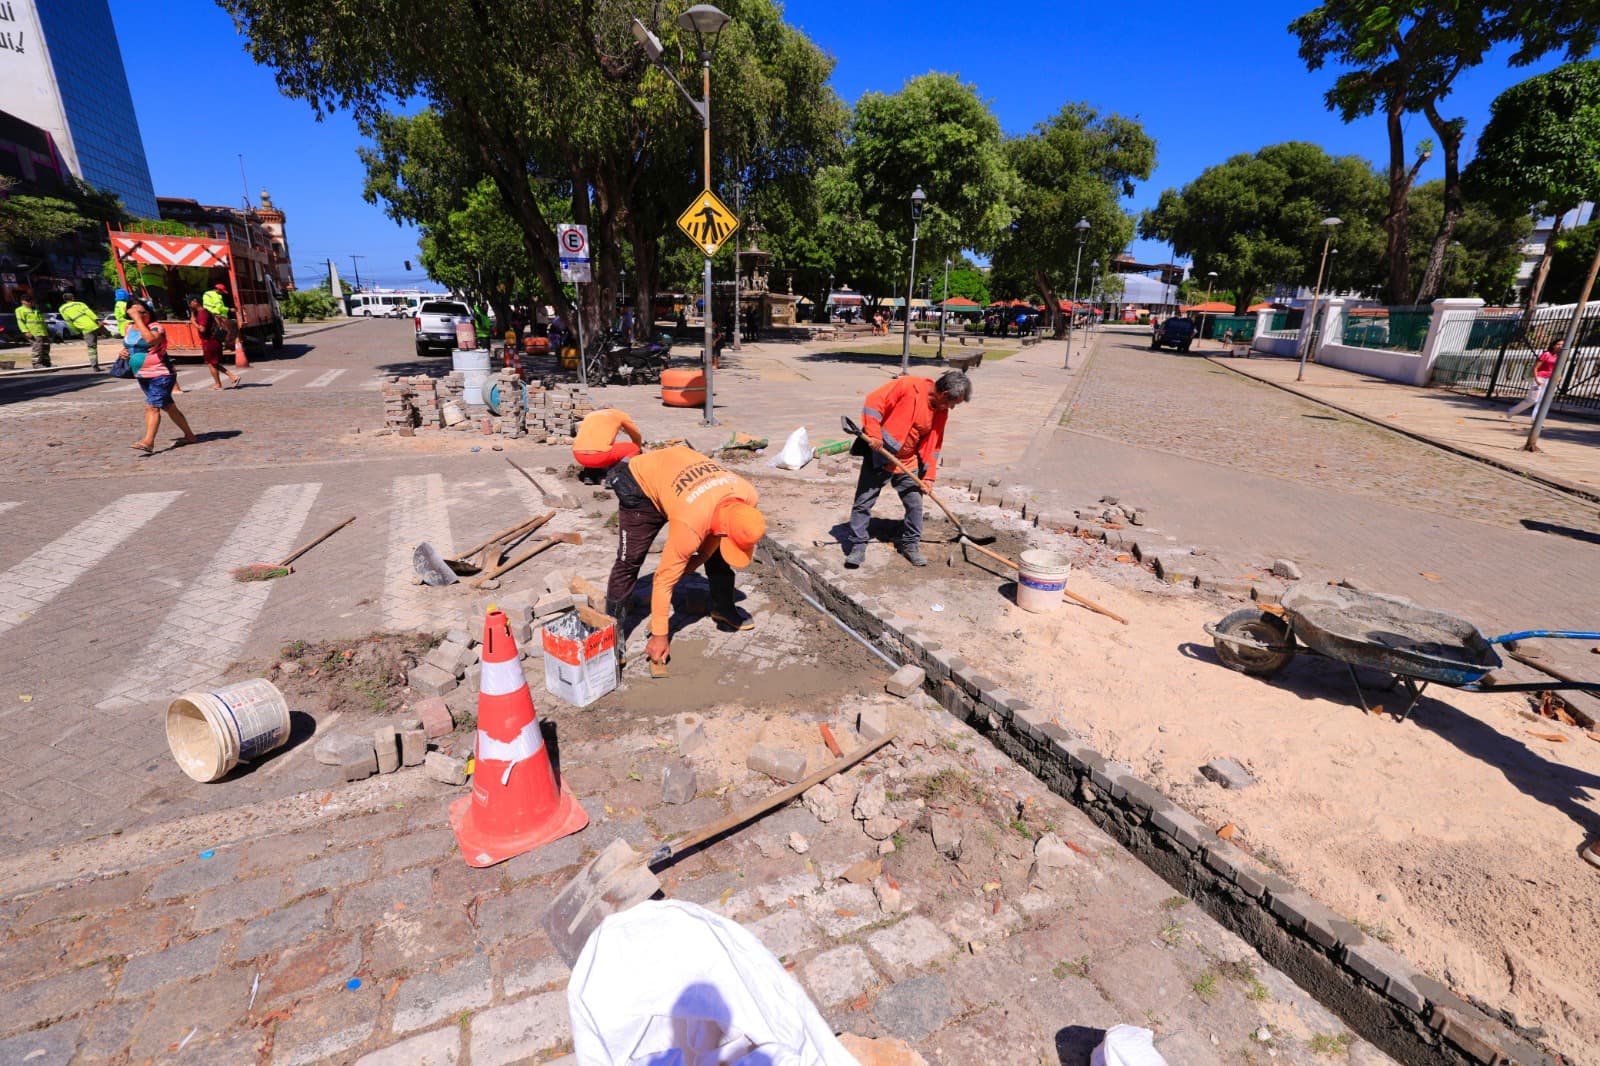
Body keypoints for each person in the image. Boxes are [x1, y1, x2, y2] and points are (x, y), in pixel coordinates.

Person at [604, 445, 766, 666]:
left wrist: (691, 564)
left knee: (719, 552)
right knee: (629, 561)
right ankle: (611, 638)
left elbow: (715, 540)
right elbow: (663, 580)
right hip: (640, 483)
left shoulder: (748, 496)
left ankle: (724, 608)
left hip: (682, 479)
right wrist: (660, 635)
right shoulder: (691, 524)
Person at [844, 369, 972, 569]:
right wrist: (874, 434)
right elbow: (873, 402)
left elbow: (934, 445)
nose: (952, 408)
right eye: (953, 403)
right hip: (881, 454)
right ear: (944, 394)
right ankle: (858, 546)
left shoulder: (940, 410)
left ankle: (911, 544)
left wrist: (929, 477)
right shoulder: (907, 386)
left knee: (915, 505)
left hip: (908, 461)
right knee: (864, 502)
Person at [123, 298, 198, 455]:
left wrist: (138, 319)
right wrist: (123, 353)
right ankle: (190, 436)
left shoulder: (156, 327)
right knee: (168, 406)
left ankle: (148, 442)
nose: (140, 315)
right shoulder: (128, 328)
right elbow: (130, 346)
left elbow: (150, 339)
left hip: (161, 373)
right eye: (135, 312)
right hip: (142, 374)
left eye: (143, 312)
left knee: (152, 406)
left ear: (149, 313)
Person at [573, 407, 643, 482]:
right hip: (600, 457)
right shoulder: (618, 414)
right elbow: (636, 434)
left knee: (595, 446)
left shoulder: (590, 415)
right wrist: (638, 450)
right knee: (634, 448)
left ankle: (589, 474)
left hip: (578, 456)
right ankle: (612, 476)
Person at [188, 296, 239, 389]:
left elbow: (202, 329)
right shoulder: (204, 312)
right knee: (212, 363)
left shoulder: (202, 313)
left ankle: (223, 381)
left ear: (195, 302)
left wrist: (193, 322)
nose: (189, 304)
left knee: (211, 363)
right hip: (211, 341)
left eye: (190, 302)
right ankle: (227, 378)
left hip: (209, 341)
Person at [1507, 339, 1563, 420]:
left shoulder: (1560, 357)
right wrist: (1537, 379)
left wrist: (1559, 378)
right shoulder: (1546, 354)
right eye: (1558, 344)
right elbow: (1536, 367)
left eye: (1562, 345)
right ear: (1553, 345)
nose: (1560, 346)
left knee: (1543, 400)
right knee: (1532, 399)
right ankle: (1512, 411)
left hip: (1551, 380)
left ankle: (1536, 419)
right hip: (1540, 378)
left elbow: (1559, 369)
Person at [58, 296, 103, 370]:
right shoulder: (79, 303)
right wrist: (97, 320)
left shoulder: (62, 309)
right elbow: (89, 312)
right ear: (72, 298)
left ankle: (94, 365)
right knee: (113, 337)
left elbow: (69, 322)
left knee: (91, 347)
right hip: (93, 325)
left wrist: (77, 331)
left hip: (84, 328)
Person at [16, 292, 50, 368]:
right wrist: (25, 331)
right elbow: (20, 322)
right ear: (23, 301)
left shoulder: (36, 309)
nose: (31, 303)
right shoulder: (20, 310)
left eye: (31, 301)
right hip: (33, 332)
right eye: (29, 301)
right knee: (37, 348)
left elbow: (41, 320)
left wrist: (47, 329)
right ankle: (36, 363)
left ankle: (46, 363)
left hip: (43, 331)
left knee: (46, 347)